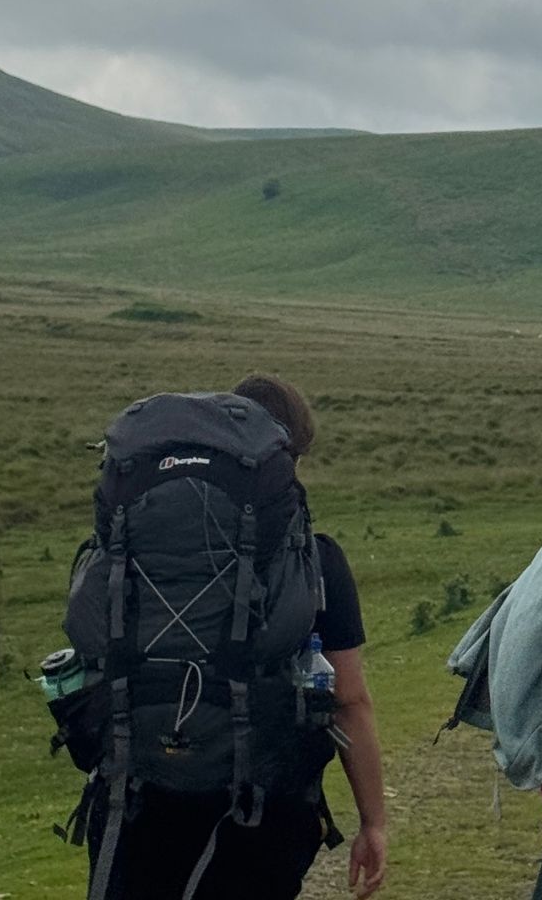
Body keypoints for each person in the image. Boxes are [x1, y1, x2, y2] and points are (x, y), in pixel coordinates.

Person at [85, 374, 389, 899]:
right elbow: (349, 702)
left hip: (133, 794)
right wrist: (374, 823)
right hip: (261, 809)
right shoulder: (316, 560)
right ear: (288, 456)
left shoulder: (134, 549)